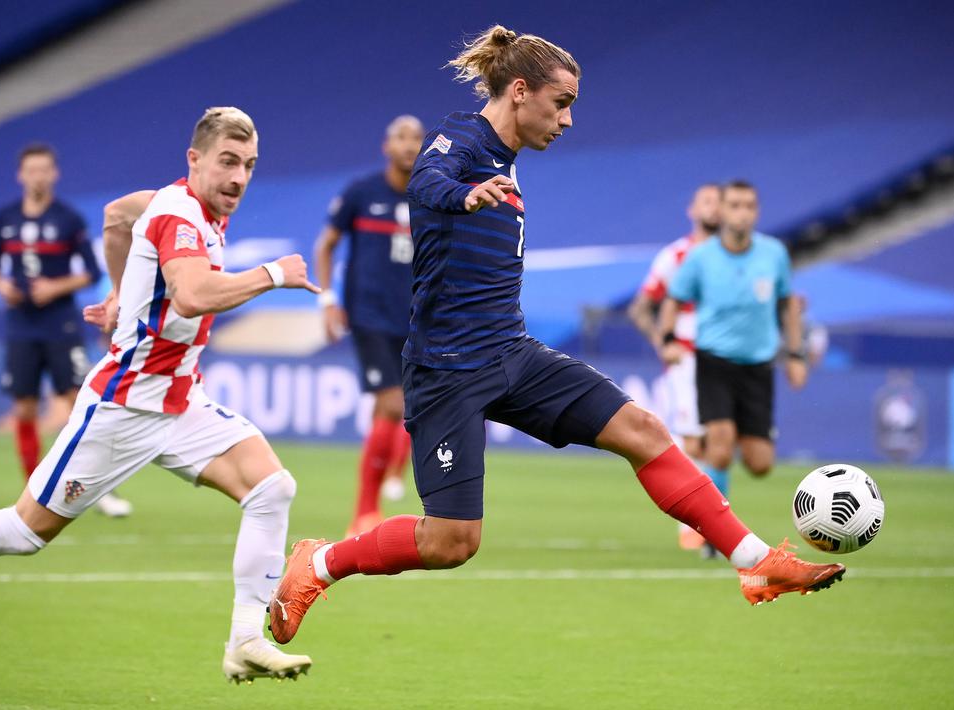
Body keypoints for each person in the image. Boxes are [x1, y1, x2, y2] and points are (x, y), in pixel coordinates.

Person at [267, 26, 844, 646]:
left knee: (644, 430)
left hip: (511, 353)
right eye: (561, 102)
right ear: (520, 91)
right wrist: (464, 195)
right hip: (447, 370)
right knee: (451, 542)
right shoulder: (462, 138)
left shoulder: (505, 162)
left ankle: (755, 561)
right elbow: (425, 182)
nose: (568, 120)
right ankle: (319, 563)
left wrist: (477, 193)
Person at [0, 107, 318, 684]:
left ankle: (244, 641)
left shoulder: (177, 204)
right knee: (25, 532)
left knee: (271, 488)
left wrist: (121, 293)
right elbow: (192, 295)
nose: (239, 177)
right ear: (193, 160)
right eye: (227, 162)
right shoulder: (179, 215)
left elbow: (116, 214)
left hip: (178, 402)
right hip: (123, 408)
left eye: (249, 165)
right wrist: (273, 273)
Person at [0, 143, 131, 518]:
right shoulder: (5, 218)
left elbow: (91, 272)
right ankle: (33, 490)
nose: (38, 177)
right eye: (31, 170)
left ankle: (96, 489)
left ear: (54, 174)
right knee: (24, 407)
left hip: (60, 322)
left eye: (44, 170)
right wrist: (2, 286)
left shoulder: (68, 219)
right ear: (21, 175)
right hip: (21, 323)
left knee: (78, 402)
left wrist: (55, 287)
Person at [657, 180, 808, 516]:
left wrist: (796, 354)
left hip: (758, 366)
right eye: (735, 205)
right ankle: (712, 525)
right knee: (721, 449)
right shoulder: (701, 257)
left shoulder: (774, 254)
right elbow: (672, 301)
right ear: (722, 210)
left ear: (757, 212)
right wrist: (668, 340)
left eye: (749, 206)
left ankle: (727, 435)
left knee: (760, 464)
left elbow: (787, 305)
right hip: (715, 361)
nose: (742, 213)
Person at [313, 115, 424, 538]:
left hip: (415, 319)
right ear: (386, 146)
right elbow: (325, 245)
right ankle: (364, 511)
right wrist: (328, 300)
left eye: (416, 138)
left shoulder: (430, 197)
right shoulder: (362, 193)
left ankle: (376, 498)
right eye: (401, 137)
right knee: (394, 405)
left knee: (399, 408)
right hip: (369, 317)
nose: (409, 145)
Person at [627, 184, 720, 552]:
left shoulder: (736, 259)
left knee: (721, 442)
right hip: (688, 359)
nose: (714, 209)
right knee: (692, 441)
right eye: (707, 202)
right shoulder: (676, 256)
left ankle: (714, 523)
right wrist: (662, 342)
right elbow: (640, 307)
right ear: (691, 210)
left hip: (728, 361)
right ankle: (694, 528)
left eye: (719, 202)